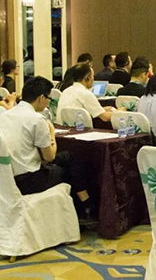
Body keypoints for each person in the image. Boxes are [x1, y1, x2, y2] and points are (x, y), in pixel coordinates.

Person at [1, 76, 93, 217]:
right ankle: (85, 206)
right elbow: (50, 157)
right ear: (41, 98)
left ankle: (85, 205)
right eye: (48, 99)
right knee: (71, 164)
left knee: (68, 158)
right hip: (27, 180)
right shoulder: (36, 119)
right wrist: (51, 132)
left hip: (7, 176)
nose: (48, 102)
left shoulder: (5, 115)